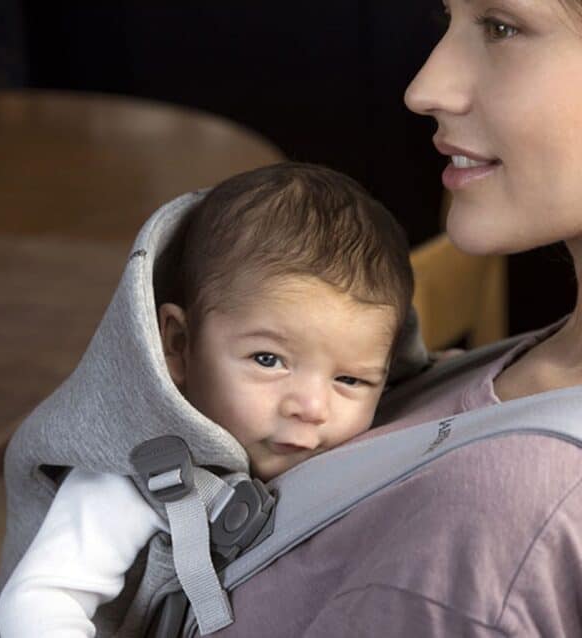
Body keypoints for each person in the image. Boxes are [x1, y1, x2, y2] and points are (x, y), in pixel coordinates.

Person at [206, 1, 582, 636]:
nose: (424, 88)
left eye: (502, 26)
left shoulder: (503, 519)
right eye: (450, 21)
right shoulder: (544, 366)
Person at [0, 162, 415, 637]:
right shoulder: (131, 476)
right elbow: (38, 601)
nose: (312, 407)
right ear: (179, 344)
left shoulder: (361, 453)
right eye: (267, 359)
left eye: (351, 381)